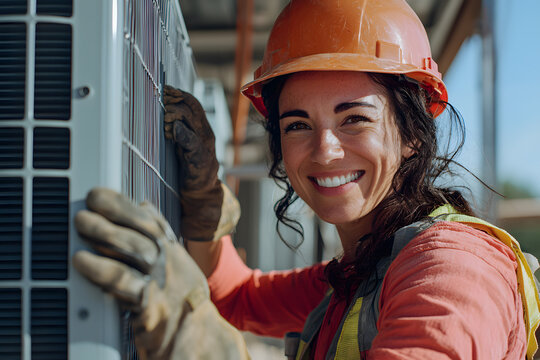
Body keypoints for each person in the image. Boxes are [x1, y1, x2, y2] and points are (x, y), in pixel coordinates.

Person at [73, 0, 540, 359]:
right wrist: (205, 204)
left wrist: (197, 339)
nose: (324, 150)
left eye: (354, 119)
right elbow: (236, 296)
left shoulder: (450, 271)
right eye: (297, 124)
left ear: (412, 135)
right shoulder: (361, 272)